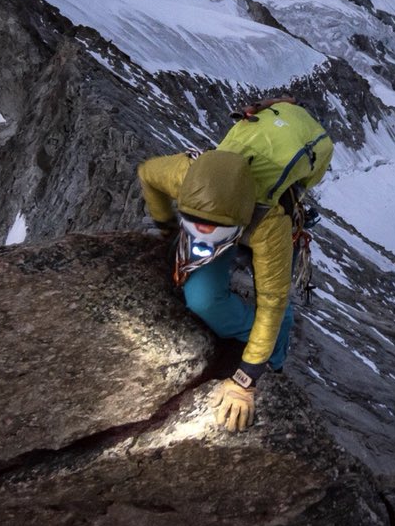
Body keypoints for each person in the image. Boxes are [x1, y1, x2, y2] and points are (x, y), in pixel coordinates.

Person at [137, 97, 333, 432]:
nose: (206, 239)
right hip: (230, 211)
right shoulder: (185, 175)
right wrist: (169, 228)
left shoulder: (269, 224)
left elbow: (271, 301)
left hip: (263, 209)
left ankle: (273, 357)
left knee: (276, 305)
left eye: (218, 235)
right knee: (201, 299)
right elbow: (148, 175)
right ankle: (255, 339)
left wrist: (246, 380)